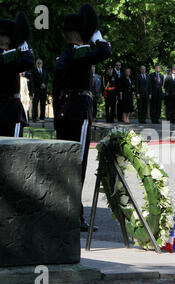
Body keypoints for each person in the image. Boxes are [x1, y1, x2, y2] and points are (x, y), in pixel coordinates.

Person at [52, 3, 111, 232]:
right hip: (78, 110)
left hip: (65, 112)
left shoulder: (64, 56)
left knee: (66, 164)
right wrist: (96, 35)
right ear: (78, 34)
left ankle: (66, 213)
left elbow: (56, 91)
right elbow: (105, 51)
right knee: (79, 164)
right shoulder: (79, 52)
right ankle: (74, 216)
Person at [0, 12, 34, 137]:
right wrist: (23, 44)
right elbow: (29, 62)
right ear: (8, 39)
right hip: (10, 114)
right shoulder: (6, 58)